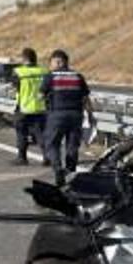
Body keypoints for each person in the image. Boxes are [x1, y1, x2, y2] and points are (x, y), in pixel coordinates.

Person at [40, 49, 95, 185]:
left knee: (52, 144)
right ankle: (70, 173)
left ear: (56, 62)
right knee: (72, 146)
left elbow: (40, 96)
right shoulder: (78, 76)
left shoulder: (50, 77)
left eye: (51, 62)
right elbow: (86, 98)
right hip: (76, 115)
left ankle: (58, 168)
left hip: (57, 114)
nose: (51, 65)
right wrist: (90, 115)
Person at [10, 48, 49, 166]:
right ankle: (47, 157)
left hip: (24, 107)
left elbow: (14, 88)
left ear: (24, 58)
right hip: (40, 107)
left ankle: (22, 158)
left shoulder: (18, 72)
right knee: (41, 133)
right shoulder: (44, 71)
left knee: (21, 133)